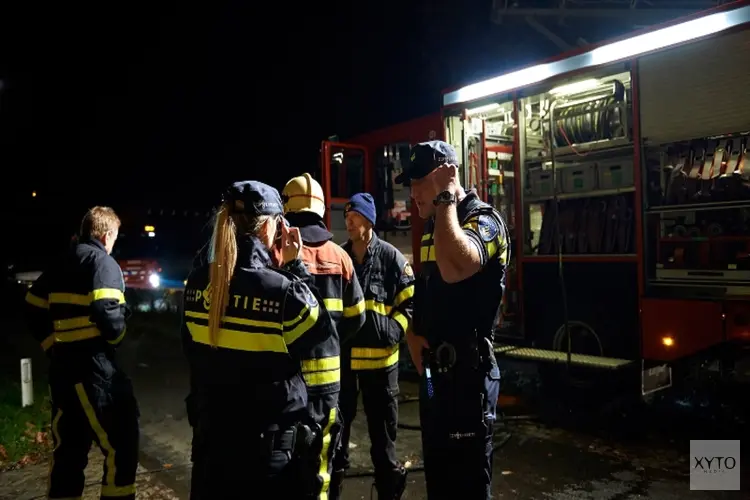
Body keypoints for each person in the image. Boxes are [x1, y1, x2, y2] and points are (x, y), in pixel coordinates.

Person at [182, 180, 339, 499]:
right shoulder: (282, 293)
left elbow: (192, 354)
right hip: (267, 460)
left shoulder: (197, 285)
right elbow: (321, 333)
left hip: (212, 452)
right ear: (271, 228)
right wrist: (296, 268)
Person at [399, 141, 509, 500]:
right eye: (410, 183)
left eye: (420, 182)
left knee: (467, 483)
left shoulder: (484, 219)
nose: (412, 193)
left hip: (468, 379)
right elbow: (427, 289)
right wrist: (413, 335)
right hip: (434, 379)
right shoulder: (435, 226)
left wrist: (446, 199)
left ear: (448, 176)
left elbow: (454, 267)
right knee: (440, 476)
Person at [25, 206, 139, 500]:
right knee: (121, 446)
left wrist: (52, 344)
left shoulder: (61, 261)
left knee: (69, 452)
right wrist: (117, 337)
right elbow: (107, 310)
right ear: (107, 234)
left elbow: (31, 306)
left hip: (62, 370)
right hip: (95, 370)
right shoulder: (103, 263)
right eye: (115, 237)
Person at [277, 172, 366, 498]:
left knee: (285, 470)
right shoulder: (341, 257)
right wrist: (331, 343)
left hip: (288, 384)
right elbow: (358, 317)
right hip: (329, 387)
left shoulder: (280, 256)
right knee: (322, 473)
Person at [333, 193, 416, 500]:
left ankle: (389, 492)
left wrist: (393, 330)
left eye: (354, 218)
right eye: (347, 218)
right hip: (344, 368)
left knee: (384, 445)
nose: (349, 222)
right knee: (336, 442)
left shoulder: (391, 258)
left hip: (381, 369)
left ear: (368, 221)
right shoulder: (339, 258)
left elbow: (409, 300)